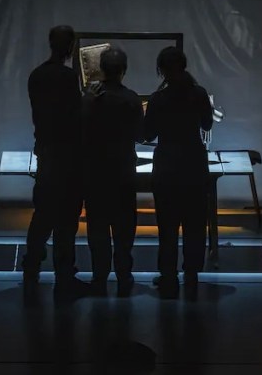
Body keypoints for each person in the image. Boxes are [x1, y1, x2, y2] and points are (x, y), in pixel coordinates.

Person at [24, 25, 90, 296]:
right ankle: (64, 273)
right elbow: (75, 117)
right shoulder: (67, 77)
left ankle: (31, 267)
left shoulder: (37, 75)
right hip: (68, 155)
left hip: (47, 152)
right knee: (66, 219)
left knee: (43, 214)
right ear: (71, 47)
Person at [143, 47, 213, 299]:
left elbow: (148, 133)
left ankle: (168, 274)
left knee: (167, 225)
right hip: (193, 161)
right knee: (195, 223)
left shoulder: (158, 99)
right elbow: (207, 123)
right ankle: (192, 273)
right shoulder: (199, 93)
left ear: (161, 70)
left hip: (167, 163)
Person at [82, 47, 144, 297]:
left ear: (101, 69)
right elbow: (140, 134)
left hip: (95, 171)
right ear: (124, 70)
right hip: (123, 170)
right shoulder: (132, 99)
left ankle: (99, 276)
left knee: (97, 226)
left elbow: (79, 129)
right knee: (124, 227)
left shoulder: (90, 99)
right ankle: (124, 274)